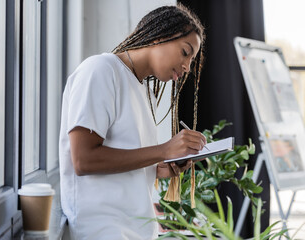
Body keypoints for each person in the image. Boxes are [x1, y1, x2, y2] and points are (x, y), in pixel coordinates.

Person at [59, 4, 206, 240]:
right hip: (103, 232)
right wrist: (163, 149)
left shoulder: (137, 87)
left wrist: (163, 167)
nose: (187, 67)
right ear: (161, 36)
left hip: (134, 232)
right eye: (185, 52)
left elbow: (123, 166)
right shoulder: (100, 70)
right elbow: (83, 160)